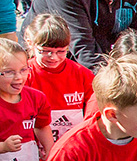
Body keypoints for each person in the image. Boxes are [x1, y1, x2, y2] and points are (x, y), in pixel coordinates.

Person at [23, 13, 94, 144]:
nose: (53, 57)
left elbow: (94, 108)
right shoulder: (24, 74)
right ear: (30, 43)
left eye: (61, 51)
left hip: (72, 145)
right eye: (45, 51)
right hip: (34, 145)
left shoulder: (82, 74)